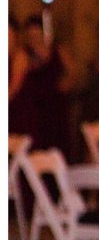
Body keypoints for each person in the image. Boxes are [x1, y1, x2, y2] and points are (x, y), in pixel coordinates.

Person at [18, 14, 78, 161]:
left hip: (56, 111)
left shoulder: (57, 51)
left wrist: (65, 84)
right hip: (35, 114)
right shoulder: (25, 55)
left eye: (37, 35)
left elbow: (73, 73)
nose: (34, 40)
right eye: (30, 36)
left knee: (58, 153)